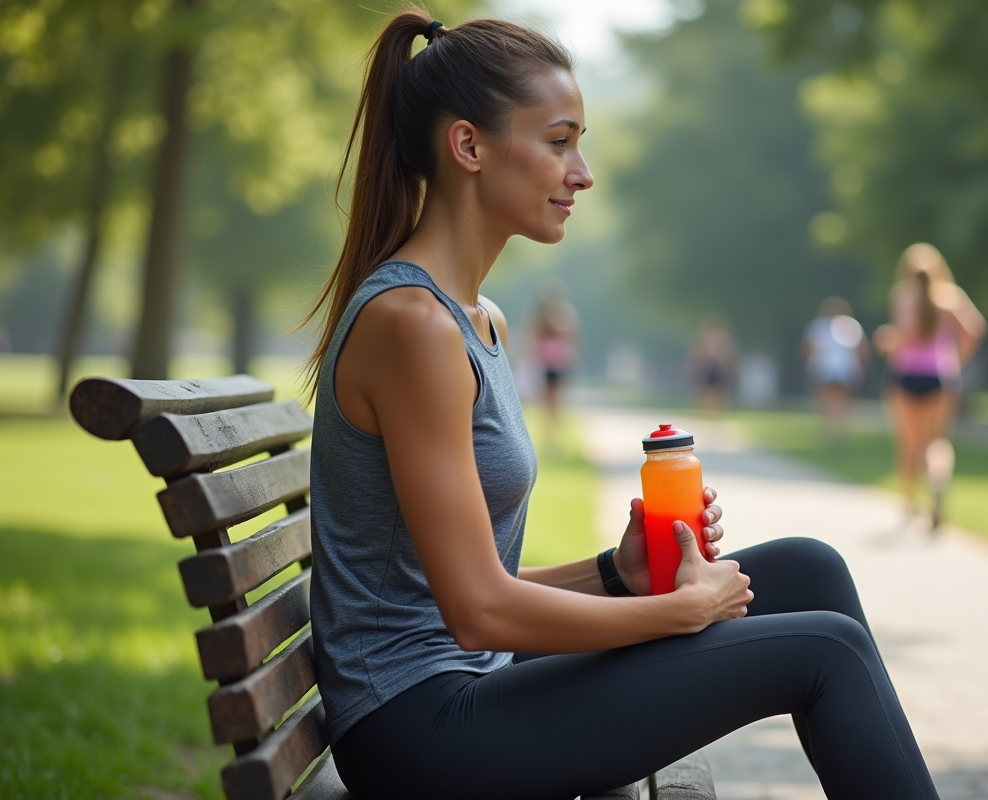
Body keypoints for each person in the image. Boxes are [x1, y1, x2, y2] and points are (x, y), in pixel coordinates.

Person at [299, 10, 942, 800]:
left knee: (809, 568)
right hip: (419, 730)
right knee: (827, 653)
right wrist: (680, 612)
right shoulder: (413, 327)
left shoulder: (477, 320)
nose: (583, 172)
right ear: (469, 147)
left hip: (470, 682)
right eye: (559, 141)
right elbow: (476, 609)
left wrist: (619, 573)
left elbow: (465, 586)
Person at [873, 243, 986, 529]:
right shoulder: (950, 296)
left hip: (905, 375)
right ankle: (937, 485)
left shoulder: (902, 296)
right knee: (937, 442)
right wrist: (956, 359)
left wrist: (887, 341)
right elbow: (975, 329)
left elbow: (902, 338)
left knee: (909, 445)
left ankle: (911, 504)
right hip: (940, 376)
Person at [803, 297, 870, 444]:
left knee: (827, 402)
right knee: (842, 403)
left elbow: (809, 349)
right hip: (844, 370)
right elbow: (862, 350)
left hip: (825, 369)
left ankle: (831, 433)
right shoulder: (850, 326)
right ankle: (839, 432)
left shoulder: (818, 327)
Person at [530, 276, 579, 452]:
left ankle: (555, 438)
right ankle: (549, 437)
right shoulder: (540, 316)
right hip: (546, 363)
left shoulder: (563, 313)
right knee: (547, 401)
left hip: (557, 362)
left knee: (556, 401)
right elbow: (534, 338)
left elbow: (569, 335)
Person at [689, 314, 738, 417]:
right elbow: (698, 354)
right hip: (707, 368)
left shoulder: (723, 339)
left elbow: (729, 354)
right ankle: (704, 411)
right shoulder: (704, 339)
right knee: (705, 390)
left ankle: (717, 412)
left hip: (718, 368)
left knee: (719, 390)